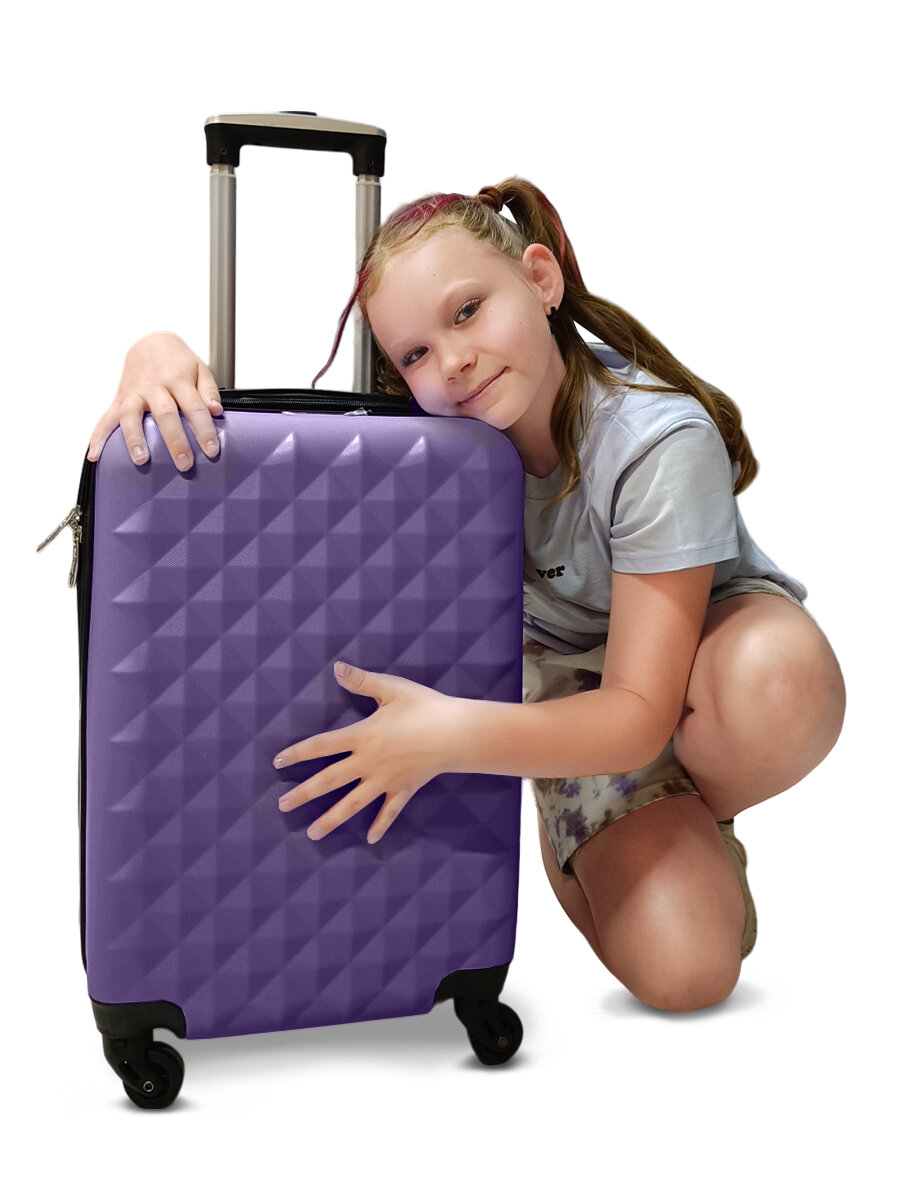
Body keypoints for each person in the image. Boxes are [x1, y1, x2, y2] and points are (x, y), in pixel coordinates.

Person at [86, 180, 846, 1014]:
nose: (450, 362)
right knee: (687, 975)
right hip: (562, 678)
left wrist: (450, 738)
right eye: (414, 354)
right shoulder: (436, 442)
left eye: (468, 311)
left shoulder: (655, 441)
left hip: (696, 658)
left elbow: (638, 710)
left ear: (542, 280)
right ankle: (616, 806)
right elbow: (297, 441)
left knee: (779, 679)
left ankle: (673, 803)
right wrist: (156, 349)